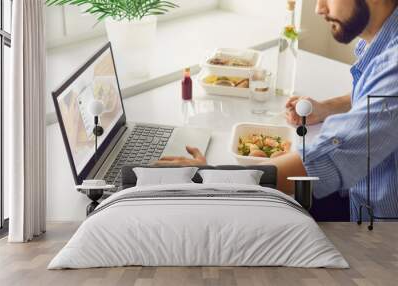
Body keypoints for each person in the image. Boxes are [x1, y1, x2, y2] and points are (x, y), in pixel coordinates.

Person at [155, 0, 398, 221]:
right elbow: (376, 96)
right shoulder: (384, 42)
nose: (319, 8)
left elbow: (328, 157)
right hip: (356, 191)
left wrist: (211, 180)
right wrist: (328, 108)